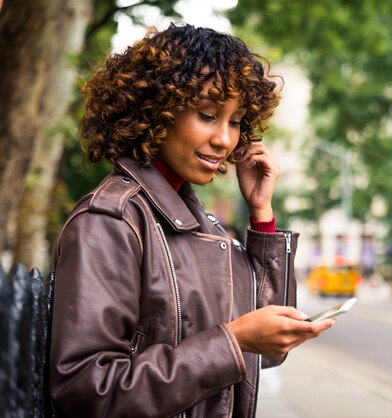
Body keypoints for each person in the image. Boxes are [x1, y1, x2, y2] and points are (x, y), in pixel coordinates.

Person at [49, 23, 335, 417]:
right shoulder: (112, 220)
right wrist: (232, 341)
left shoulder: (200, 224)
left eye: (235, 122)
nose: (225, 139)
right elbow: (87, 390)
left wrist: (262, 215)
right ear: (155, 110)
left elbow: (267, 351)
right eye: (207, 115)